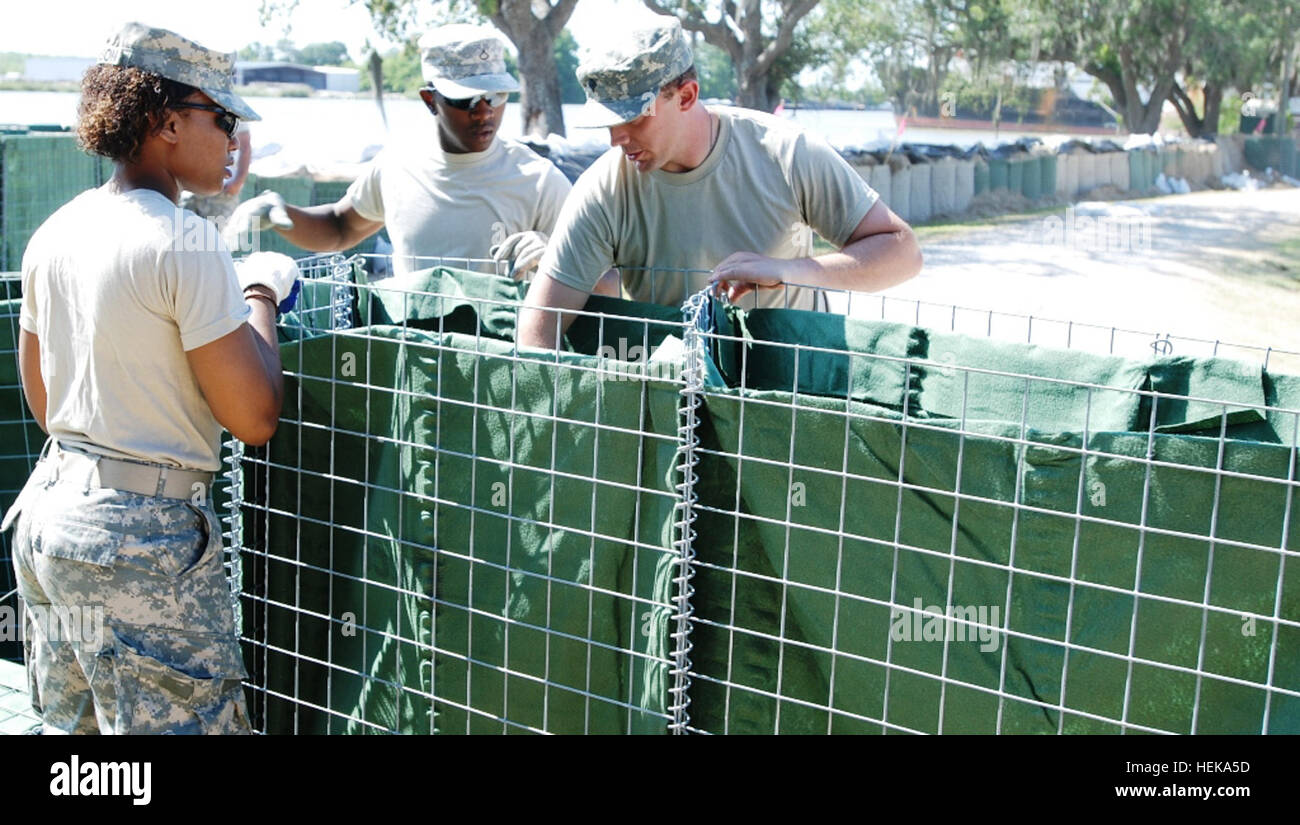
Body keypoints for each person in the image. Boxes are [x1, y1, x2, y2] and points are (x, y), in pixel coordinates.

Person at [3, 22, 296, 734]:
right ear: (167, 120)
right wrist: (259, 293)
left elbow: (44, 402)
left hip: (51, 519)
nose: (232, 138)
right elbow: (254, 417)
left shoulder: (57, 230)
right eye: (221, 118)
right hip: (137, 543)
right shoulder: (185, 240)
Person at [516, 16, 924, 349]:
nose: (616, 138)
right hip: (673, 409)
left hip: (785, 399)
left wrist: (789, 271)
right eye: (609, 121)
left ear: (687, 95)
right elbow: (538, 329)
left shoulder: (785, 153)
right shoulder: (604, 189)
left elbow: (903, 253)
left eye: (634, 116)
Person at [226, 24, 573, 280]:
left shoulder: (539, 181)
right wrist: (281, 213)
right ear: (429, 100)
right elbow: (340, 228)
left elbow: (602, 281)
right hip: (414, 363)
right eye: (465, 100)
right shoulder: (397, 166)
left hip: (501, 369)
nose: (484, 112)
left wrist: (554, 257)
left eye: (495, 96)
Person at [181, 121, 252, 221]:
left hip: (222, 191)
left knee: (216, 233)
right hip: (191, 189)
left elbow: (245, 147)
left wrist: (238, 181)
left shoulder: (236, 111)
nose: (233, 143)